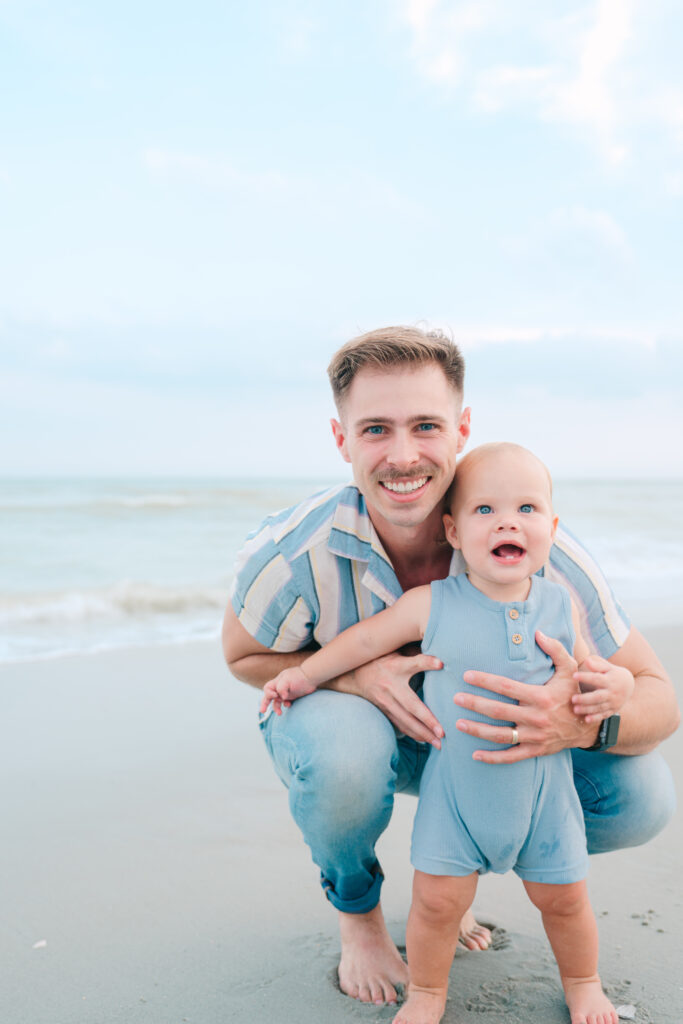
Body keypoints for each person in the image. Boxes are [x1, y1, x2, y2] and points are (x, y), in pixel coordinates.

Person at [223, 326, 679, 1008]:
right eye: (375, 429)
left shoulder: (534, 545)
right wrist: (353, 677)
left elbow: (657, 699)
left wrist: (576, 723)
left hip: (492, 752)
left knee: (640, 798)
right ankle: (361, 917)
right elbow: (243, 657)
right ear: (341, 439)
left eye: (425, 426)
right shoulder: (296, 551)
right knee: (343, 755)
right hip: (361, 734)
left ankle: (456, 876)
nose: (402, 456)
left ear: (460, 428)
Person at [261, 443, 633, 1024]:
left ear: (552, 529)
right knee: (436, 905)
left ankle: (584, 982)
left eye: (527, 509)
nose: (509, 521)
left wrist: (617, 689)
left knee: (565, 902)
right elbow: (360, 643)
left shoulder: (561, 604)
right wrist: (303, 675)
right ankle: (428, 994)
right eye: (486, 510)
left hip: (545, 797)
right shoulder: (429, 604)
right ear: (453, 532)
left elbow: (592, 673)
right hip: (455, 796)